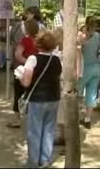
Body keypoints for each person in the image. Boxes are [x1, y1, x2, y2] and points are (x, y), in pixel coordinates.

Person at [20, 31, 62, 168]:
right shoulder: (56, 59)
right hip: (54, 98)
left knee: (35, 131)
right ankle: (45, 159)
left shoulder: (32, 59)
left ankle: (32, 162)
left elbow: (26, 82)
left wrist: (20, 77)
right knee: (49, 130)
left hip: (37, 98)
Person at [7, 18, 39, 129]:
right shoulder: (40, 41)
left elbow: (18, 54)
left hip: (25, 71)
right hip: (37, 72)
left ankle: (16, 119)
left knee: (18, 94)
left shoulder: (25, 41)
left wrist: (28, 62)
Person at [78, 16, 100, 129]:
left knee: (77, 92)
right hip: (96, 67)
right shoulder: (99, 36)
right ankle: (88, 118)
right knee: (91, 94)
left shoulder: (82, 36)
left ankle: (76, 115)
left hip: (84, 67)